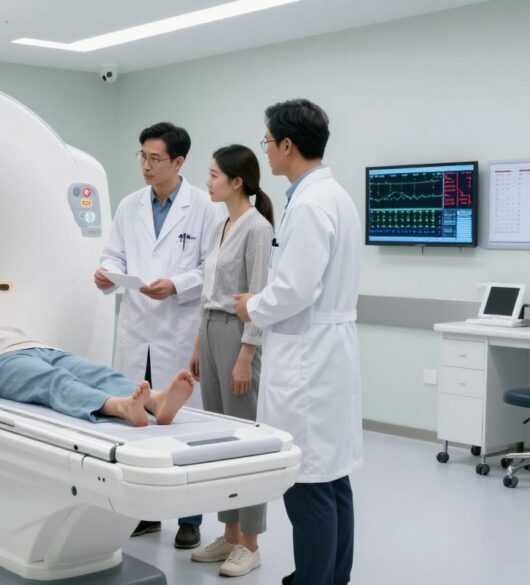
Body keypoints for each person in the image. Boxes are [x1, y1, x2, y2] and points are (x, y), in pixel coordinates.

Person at [233, 99, 362, 585]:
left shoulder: (310, 204)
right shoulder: (334, 197)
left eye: (267, 142)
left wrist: (252, 307)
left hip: (308, 355)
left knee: (307, 482)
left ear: (287, 145)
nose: (265, 151)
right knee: (333, 476)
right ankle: (331, 575)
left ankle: (315, 579)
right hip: (327, 349)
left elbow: (294, 290)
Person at [94, 122, 223, 548]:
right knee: (139, 423)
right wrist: (106, 276)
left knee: (183, 428)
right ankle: (145, 513)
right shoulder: (130, 205)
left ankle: (190, 518)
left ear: (178, 162)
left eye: (155, 159)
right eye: (142, 157)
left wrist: (177, 284)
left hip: (178, 328)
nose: (146, 166)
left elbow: (213, 269)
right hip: (137, 327)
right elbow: (113, 253)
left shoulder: (205, 208)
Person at [188, 145, 274, 578]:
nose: (208, 181)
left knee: (246, 443)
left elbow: (258, 296)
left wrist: (246, 356)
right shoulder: (220, 225)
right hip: (210, 329)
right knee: (221, 443)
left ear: (237, 181)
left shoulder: (256, 229)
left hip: (238, 336)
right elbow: (208, 292)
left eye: (214, 175)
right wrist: (196, 346)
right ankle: (229, 532)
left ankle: (252, 542)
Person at [0, 309, 196, 426]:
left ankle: (156, 401)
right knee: (55, 381)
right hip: (2, 362)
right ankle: (120, 406)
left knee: (96, 372)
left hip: (42, 349)